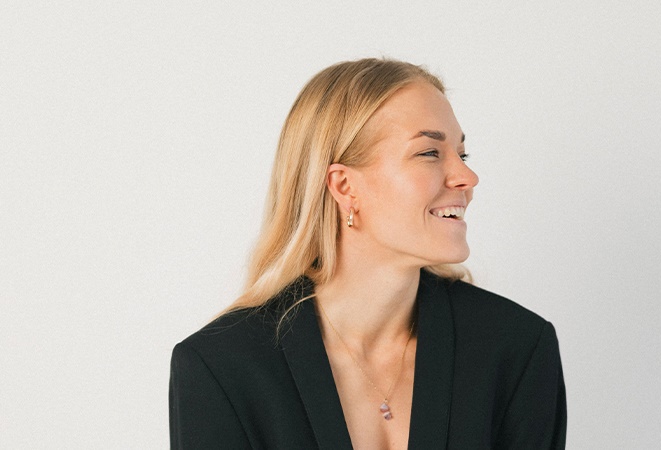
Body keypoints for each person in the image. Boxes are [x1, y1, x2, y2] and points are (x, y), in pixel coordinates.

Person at [169, 58, 566, 449]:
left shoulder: (515, 348)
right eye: (430, 153)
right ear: (344, 186)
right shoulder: (221, 367)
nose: (467, 177)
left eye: (462, 155)